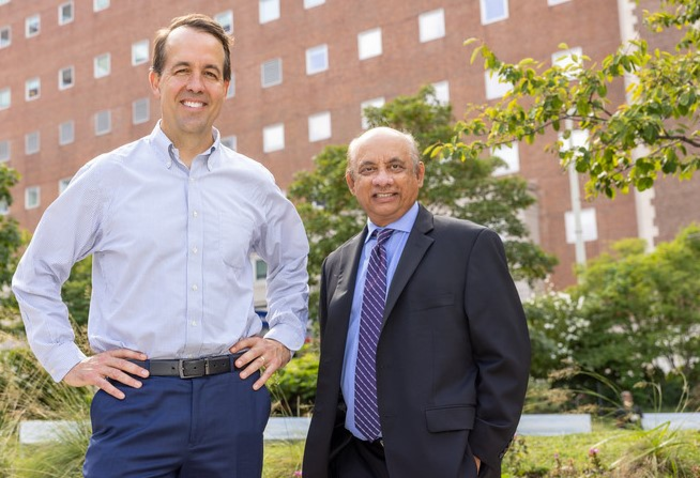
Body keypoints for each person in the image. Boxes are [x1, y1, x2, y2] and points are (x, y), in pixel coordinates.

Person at [12, 13, 309, 478]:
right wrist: (66, 360)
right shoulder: (107, 178)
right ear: (156, 80)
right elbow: (36, 275)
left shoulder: (254, 182)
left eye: (210, 73)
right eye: (182, 70)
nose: (196, 84)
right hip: (136, 398)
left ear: (226, 86)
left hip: (232, 399)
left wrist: (283, 337)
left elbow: (291, 263)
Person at [302, 127, 530, 478]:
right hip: (350, 457)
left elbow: (506, 359)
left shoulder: (470, 246)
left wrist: (479, 454)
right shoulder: (336, 264)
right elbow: (333, 369)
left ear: (419, 174)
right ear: (351, 182)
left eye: (396, 167)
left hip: (440, 460)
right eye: (368, 169)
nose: (383, 180)